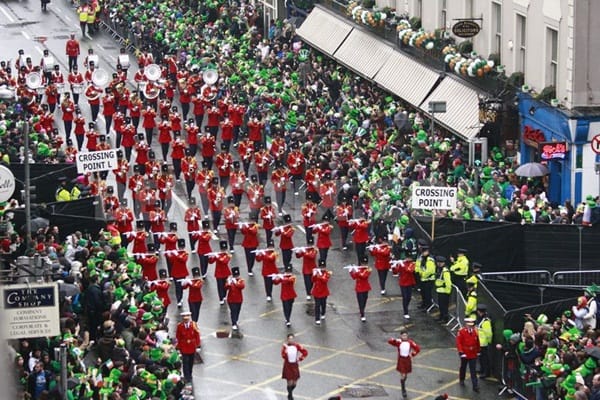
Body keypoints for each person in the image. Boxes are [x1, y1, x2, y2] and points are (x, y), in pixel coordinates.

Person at [388, 330, 421, 399]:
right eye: (403, 335)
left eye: (406, 335)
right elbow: (390, 341)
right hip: (401, 360)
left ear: (407, 336)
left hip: (407, 360)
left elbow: (417, 348)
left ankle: (403, 381)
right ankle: (403, 389)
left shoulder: (410, 342)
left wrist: (413, 354)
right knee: (403, 374)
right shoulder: (399, 342)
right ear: (401, 336)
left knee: (405, 375)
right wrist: (395, 340)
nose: (404, 337)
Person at [175, 311, 201, 383]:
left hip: (192, 346)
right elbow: (178, 337)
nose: (186, 320)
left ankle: (190, 373)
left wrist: (198, 345)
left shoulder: (194, 325)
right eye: (184, 319)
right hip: (184, 346)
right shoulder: (180, 326)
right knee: (185, 362)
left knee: (191, 362)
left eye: (187, 319)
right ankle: (187, 376)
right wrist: (178, 347)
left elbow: (197, 335)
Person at [456, 317, 480, 392]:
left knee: (473, 370)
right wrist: (461, 352)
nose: (470, 326)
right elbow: (458, 342)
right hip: (465, 353)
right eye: (469, 324)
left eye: (471, 325)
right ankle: (462, 379)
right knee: (463, 367)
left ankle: (475, 386)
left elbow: (477, 342)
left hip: (473, 354)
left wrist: (478, 351)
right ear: (466, 324)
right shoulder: (461, 332)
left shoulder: (475, 331)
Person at [281, 333, 308, 400]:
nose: (291, 340)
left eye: (292, 338)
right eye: (289, 339)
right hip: (288, 365)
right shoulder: (285, 347)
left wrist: (300, 358)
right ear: (287, 339)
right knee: (289, 382)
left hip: (295, 365)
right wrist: (286, 350)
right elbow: (283, 356)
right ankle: (290, 396)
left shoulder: (297, 346)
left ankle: (290, 393)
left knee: (294, 383)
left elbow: (305, 352)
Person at [350, 256, 372, 322]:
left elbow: (364, 276)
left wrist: (356, 271)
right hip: (359, 288)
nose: (364, 265)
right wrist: (351, 271)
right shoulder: (358, 269)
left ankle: (362, 310)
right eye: (363, 263)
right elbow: (354, 277)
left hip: (365, 287)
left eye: (365, 263)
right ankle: (362, 314)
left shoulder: (368, 269)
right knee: (360, 301)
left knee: (365, 300)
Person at [415, 245, 435, 310]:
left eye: (424, 252)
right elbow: (420, 266)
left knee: (427, 294)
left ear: (428, 251)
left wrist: (422, 274)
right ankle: (424, 304)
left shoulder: (430, 259)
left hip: (428, 279)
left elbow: (430, 270)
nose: (423, 253)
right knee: (423, 293)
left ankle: (428, 306)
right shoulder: (422, 258)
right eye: (422, 252)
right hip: (423, 279)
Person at [312, 259, 332, 325]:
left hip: (324, 291)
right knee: (317, 305)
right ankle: (317, 318)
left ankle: (323, 312)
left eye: (323, 267)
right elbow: (313, 280)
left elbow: (325, 280)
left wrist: (320, 276)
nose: (322, 268)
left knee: (323, 304)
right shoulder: (317, 272)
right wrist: (314, 275)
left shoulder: (327, 273)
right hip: (317, 291)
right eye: (321, 267)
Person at [476, 304, 493, 379]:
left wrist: (489, 342)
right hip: (480, 343)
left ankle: (486, 373)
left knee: (485, 359)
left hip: (484, 343)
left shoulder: (486, 321)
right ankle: (482, 370)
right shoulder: (481, 319)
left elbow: (489, 333)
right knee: (481, 358)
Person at [434, 255, 452, 323]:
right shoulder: (440, 269)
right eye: (438, 262)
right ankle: (441, 317)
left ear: (443, 263)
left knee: (444, 306)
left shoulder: (445, 271)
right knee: (441, 306)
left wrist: (447, 291)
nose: (439, 264)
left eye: (440, 262)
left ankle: (445, 319)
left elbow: (448, 282)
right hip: (440, 290)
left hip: (444, 292)